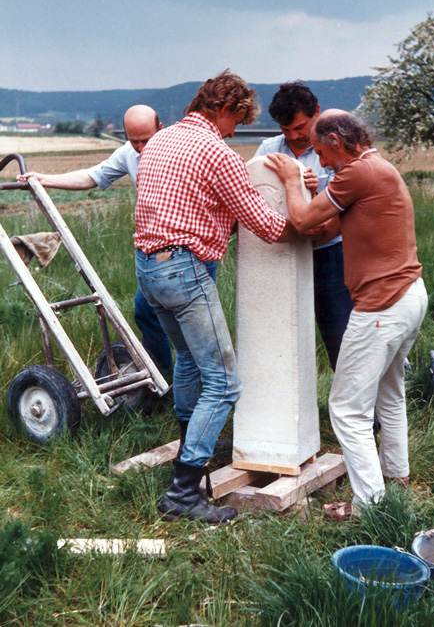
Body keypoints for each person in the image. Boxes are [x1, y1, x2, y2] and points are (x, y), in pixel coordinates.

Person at [134, 70, 298, 524]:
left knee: (187, 360)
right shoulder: (216, 151)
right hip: (184, 272)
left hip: (148, 268)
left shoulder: (161, 141)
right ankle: (183, 493)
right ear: (225, 109)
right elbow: (263, 224)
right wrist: (308, 217)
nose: (236, 131)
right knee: (225, 384)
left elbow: (181, 200)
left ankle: (190, 449)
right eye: (237, 122)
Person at [266, 110, 428, 519]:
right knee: (390, 394)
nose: (319, 163)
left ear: (337, 141)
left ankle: (371, 507)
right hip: (409, 296)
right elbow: (322, 228)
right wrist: (293, 209)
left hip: (382, 305)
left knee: (346, 408)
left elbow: (303, 218)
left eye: (320, 152)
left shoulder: (358, 173)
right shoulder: (374, 170)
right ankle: (397, 476)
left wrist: (289, 180)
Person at [16, 105, 203, 375]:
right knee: (145, 310)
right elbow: (92, 176)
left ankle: (202, 382)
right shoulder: (129, 154)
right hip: (155, 252)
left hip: (193, 249)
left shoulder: (180, 147)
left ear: (161, 129)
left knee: (193, 321)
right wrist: (44, 178)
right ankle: (161, 377)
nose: (140, 147)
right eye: (133, 140)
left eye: (146, 140)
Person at [255, 82, 353, 369]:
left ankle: (360, 411)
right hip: (281, 255)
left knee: (339, 333)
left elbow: (343, 209)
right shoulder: (268, 150)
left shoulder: (338, 150)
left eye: (300, 127)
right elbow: (256, 200)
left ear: (318, 113)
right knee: (278, 333)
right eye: (286, 130)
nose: (294, 136)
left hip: (329, 256)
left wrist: (313, 194)